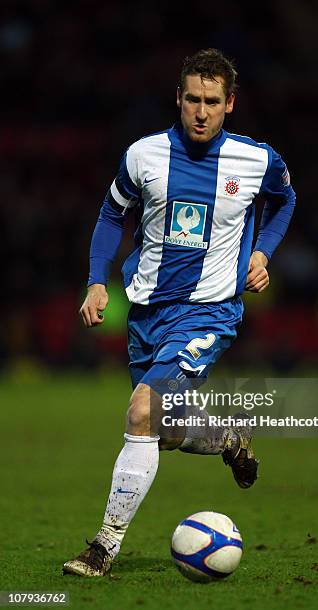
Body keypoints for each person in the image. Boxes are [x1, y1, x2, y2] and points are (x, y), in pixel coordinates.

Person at [63, 48, 296, 577]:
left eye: (212, 101)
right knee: (162, 430)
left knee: (142, 410)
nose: (201, 111)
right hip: (147, 314)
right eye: (192, 98)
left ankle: (103, 547)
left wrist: (263, 253)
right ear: (178, 97)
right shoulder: (144, 155)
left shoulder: (257, 160)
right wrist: (97, 280)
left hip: (208, 313)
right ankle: (229, 438)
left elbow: (286, 201)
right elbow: (110, 214)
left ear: (230, 103)